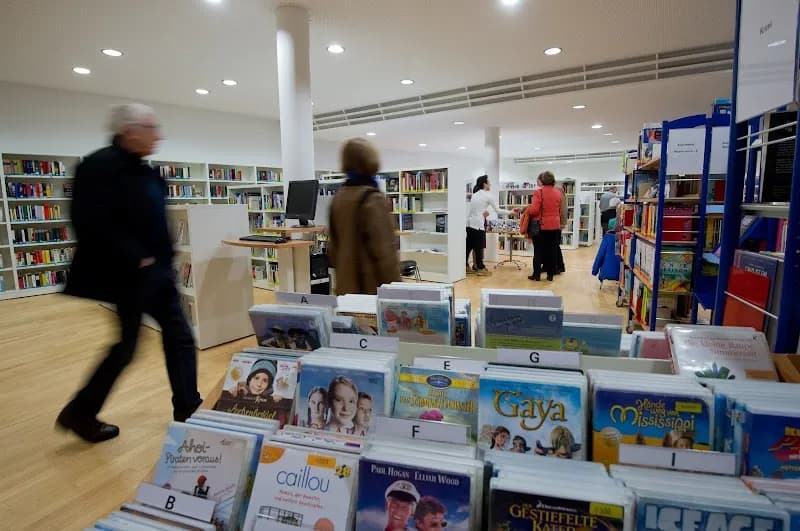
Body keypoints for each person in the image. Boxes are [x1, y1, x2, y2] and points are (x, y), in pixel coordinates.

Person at [57, 104, 202, 443]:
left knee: (172, 339)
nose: (159, 135)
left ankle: (187, 407)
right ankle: (81, 412)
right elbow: (89, 221)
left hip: (157, 275)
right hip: (128, 276)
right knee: (133, 346)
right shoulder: (99, 166)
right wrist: (137, 257)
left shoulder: (145, 171)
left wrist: (165, 257)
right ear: (130, 131)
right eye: (152, 128)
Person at [328, 138, 400, 294]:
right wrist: (397, 292)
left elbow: (333, 250)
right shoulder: (373, 199)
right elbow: (385, 254)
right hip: (370, 290)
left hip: (345, 288)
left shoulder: (338, 197)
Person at [466, 175, 516, 275]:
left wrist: (482, 214)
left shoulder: (475, 195)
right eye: (489, 182)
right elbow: (498, 210)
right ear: (484, 184)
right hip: (479, 225)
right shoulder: (488, 195)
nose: (490, 184)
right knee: (479, 247)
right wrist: (510, 212)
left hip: (470, 224)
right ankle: (480, 267)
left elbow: (473, 211)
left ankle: (466, 266)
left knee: (469, 246)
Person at [526, 171, 564, 282]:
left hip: (541, 227)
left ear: (542, 180)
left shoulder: (539, 192)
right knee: (552, 251)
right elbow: (559, 209)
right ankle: (550, 275)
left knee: (538, 251)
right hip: (555, 226)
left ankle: (536, 275)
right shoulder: (558, 192)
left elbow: (534, 210)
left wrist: (528, 209)